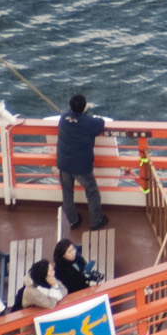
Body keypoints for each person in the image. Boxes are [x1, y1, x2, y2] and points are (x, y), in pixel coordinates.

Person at [57, 93, 109, 232]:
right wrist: (87, 116)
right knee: (92, 192)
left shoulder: (63, 118)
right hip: (81, 166)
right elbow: (101, 123)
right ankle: (96, 221)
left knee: (67, 192)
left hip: (64, 163)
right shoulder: (88, 122)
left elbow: (73, 120)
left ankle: (73, 220)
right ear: (84, 107)